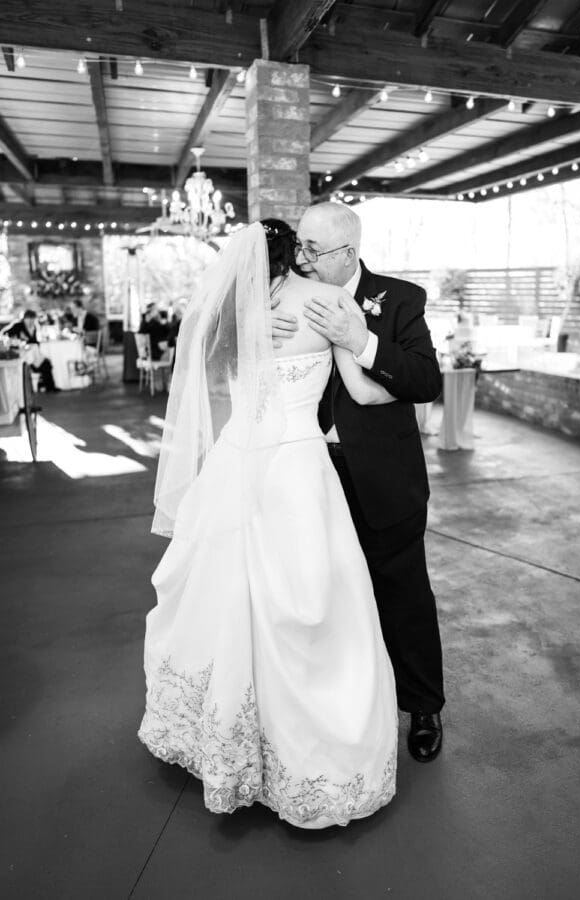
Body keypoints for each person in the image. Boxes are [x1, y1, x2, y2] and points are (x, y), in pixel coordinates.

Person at [138, 221, 399, 829]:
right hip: (299, 469)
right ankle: (309, 756)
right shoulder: (330, 302)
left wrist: (251, 337)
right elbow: (359, 390)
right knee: (313, 602)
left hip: (235, 463)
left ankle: (222, 741)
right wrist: (410, 397)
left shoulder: (230, 319)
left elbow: (209, 384)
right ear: (294, 257)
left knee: (219, 596)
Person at [272, 202, 445, 763]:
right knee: (327, 598)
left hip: (381, 475)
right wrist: (262, 329)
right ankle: (348, 706)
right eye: (300, 246)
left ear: (347, 253)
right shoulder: (289, 294)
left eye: (312, 250)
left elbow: (426, 380)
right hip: (308, 476)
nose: (302, 258)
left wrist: (362, 339)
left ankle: (422, 708)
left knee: (402, 592)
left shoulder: (399, 300)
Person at [2, 309, 60, 392]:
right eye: (29, 319)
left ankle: (49, 386)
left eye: (32, 319)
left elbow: (35, 341)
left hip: (33, 354)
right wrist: (15, 342)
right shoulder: (18, 326)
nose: (31, 321)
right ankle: (43, 385)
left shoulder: (34, 327)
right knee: (42, 364)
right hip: (24, 355)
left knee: (47, 363)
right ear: (25, 319)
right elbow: (5, 334)